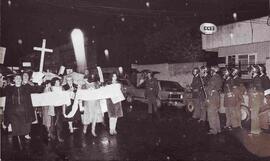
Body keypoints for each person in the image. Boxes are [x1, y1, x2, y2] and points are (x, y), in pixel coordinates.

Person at [4, 74, 36, 139]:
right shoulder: (9, 89)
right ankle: (17, 136)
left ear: (21, 80)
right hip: (14, 111)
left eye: (19, 78)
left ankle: (26, 134)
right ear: (14, 80)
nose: (18, 79)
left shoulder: (26, 87)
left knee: (26, 124)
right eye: (16, 78)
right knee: (15, 125)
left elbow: (37, 89)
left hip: (25, 110)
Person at [205, 66, 223, 135]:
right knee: (215, 114)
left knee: (211, 114)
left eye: (211, 70)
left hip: (212, 97)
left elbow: (210, 88)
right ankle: (218, 129)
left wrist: (206, 87)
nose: (210, 71)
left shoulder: (214, 78)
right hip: (216, 97)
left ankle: (213, 130)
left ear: (214, 71)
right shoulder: (219, 77)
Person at [248, 65, 264, 135]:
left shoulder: (257, 78)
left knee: (254, 116)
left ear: (254, 71)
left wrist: (255, 93)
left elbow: (260, 89)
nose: (250, 71)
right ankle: (257, 130)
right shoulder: (255, 78)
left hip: (255, 99)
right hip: (254, 98)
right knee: (254, 115)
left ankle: (255, 130)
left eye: (251, 70)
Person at [51, 77, 65, 142]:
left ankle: (59, 136)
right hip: (53, 106)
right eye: (56, 82)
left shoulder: (62, 88)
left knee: (59, 121)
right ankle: (52, 134)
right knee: (53, 121)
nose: (57, 83)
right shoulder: (51, 88)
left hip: (60, 106)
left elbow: (65, 95)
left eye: (58, 82)